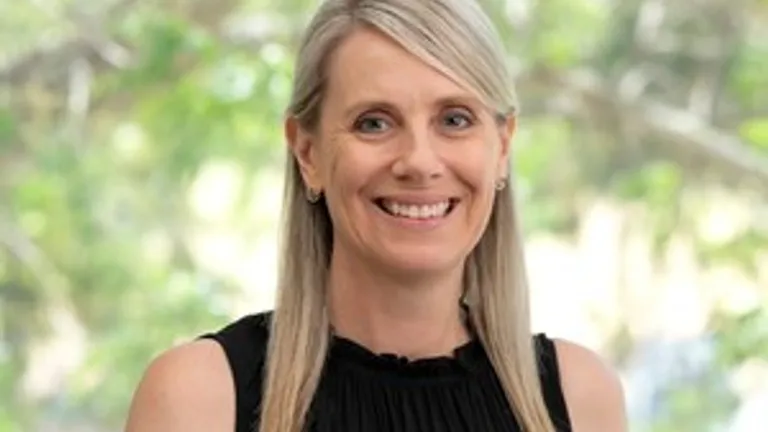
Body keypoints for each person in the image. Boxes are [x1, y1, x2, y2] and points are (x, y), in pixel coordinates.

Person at [125, 0, 627, 431]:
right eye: (374, 123)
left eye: (455, 119)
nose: (420, 162)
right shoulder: (197, 400)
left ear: (502, 146)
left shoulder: (581, 399)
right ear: (307, 153)